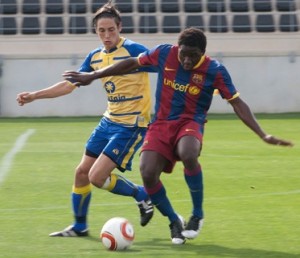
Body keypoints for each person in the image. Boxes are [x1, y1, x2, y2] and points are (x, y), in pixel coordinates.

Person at [62, 27, 294, 244]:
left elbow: (237, 103)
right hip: (162, 123)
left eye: (193, 56)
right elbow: (132, 62)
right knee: (147, 172)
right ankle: (174, 220)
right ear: (177, 48)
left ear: (203, 53)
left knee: (188, 152)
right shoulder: (165, 53)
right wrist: (93, 75)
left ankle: (197, 215)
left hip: (190, 122)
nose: (186, 60)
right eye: (183, 54)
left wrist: (263, 134)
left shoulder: (215, 70)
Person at [16, 2, 155, 237]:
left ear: (120, 27)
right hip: (108, 121)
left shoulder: (134, 50)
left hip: (132, 124)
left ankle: (141, 194)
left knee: (97, 177)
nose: (107, 35)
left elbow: (165, 68)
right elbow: (69, 84)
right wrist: (35, 95)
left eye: (111, 29)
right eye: (101, 30)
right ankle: (80, 226)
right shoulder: (94, 56)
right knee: (81, 173)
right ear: (96, 31)